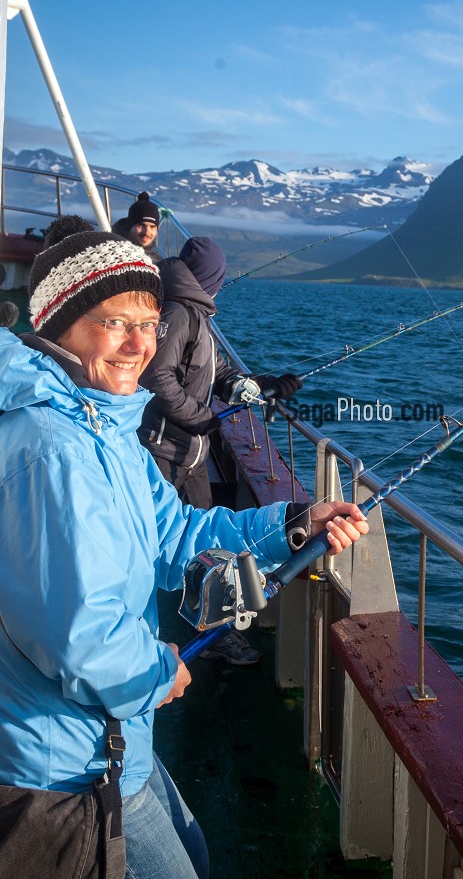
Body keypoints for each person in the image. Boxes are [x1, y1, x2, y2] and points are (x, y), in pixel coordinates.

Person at [0, 220, 366, 879]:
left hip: (107, 743)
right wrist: (158, 671)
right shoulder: (48, 453)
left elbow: (177, 532)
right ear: (61, 322)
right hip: (58, 771)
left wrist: (294, 522)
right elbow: (82, 642)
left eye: (149, 323)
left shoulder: (103, 426)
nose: (142, 344)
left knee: (195, 853)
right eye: (117, 322)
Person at [138, 236, 302, 665]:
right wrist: (199, 417)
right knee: (191, 548)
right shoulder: (180, 312)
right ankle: (199, 634)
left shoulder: (195, 313)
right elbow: (157, 377)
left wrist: (258, 383)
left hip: (188, 452)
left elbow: (214, 371)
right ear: (212, 278)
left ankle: (208, 630)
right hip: (165, 451)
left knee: (203, 544)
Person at [112, 190, 166, 261]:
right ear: (130, 226)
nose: (147, 232)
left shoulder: (157, 260)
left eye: (152, 226)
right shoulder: (113, 253)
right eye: (141, 225)